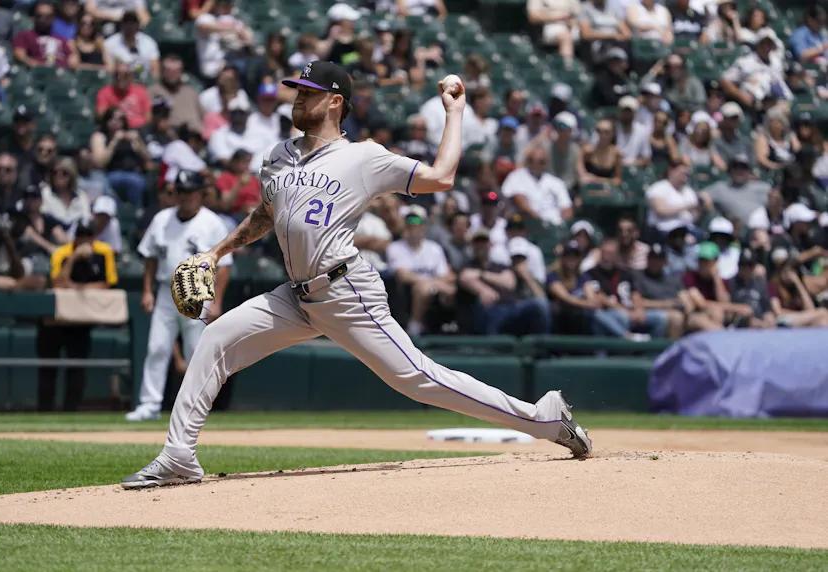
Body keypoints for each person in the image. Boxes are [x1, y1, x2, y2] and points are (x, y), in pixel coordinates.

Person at [122, 61, 592, 488]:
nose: (297, 99)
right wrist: (216, 251)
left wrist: (454, 112)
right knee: (216, 338)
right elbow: (266, 216)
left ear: (334, 101)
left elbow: (443, 176)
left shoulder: (364, 157)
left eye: (307, 92)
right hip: (295, 297)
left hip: (346, 291)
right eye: (295, 91)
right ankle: (179, 454)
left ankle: (543, 419)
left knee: (417, 379)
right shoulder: (278, 156)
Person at [126, 171, 233, 421]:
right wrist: (146, 291)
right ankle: (149, 405)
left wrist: (217, 301)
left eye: (190, 192)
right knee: (157, 348)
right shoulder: (162, 219)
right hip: (165, 290)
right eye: (181, 192)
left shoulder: (212, 222)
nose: (185, 197)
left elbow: (225, 265)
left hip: (198, 290)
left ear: (201, 194)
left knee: (197, 351)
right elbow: (150, 258)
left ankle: (196, 408)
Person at [39, 222, 117, 411]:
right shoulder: (62, 253)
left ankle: (71, 410)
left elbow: (108, 283)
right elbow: (58, 283)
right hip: (56, 319)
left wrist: (77, 288)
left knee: (77, 367)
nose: (84, 240)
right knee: (48, 367)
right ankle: (45, 410)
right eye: (80, 235)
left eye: (88, 236)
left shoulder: (103, 251)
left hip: (82, 318)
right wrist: (73, 257)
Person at [459, 227, 549, 335]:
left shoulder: (499, 265)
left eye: (484, 242)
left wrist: (481, 274)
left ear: (490, 244)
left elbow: (509, 283)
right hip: (489, 311)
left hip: (511, 307)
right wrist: (484, 290)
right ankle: (492, 348)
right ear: (472, 245)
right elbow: (465, 277)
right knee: (487, 304)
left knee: (540, 304)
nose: (481, 245)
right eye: (477, 242)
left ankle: (542, 347)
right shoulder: (468, 264)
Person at [386, 212, 456, 336]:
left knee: (451, 290)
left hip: (435, 287)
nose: (414, 230)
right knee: (423, 289)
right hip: (407, 291)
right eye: (410, 226)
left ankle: (451, 328)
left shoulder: (434, 248)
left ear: (424, 227)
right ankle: (414, 327)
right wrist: (429, 284)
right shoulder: (395, 247)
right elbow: (403, 275)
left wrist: (432, 284)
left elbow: (444, 275)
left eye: (417, 226)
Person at [583, 237, 667, 340]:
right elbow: (599, 297)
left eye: (611, 253)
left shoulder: (625, 273)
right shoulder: (591, 274)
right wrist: (625, 311)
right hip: (609, 312)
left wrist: (638, 310)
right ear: (600, 252)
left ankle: (652, 354)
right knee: (614, 317)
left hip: (629, 310)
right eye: (606, 252)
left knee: (660, 318)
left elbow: (635, 294)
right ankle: (627, 338)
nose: (608, 256)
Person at [681, 241, 753, 330]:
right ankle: (724, 337)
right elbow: (702, 304)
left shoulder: (722, 281)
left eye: (707, 261)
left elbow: (724, 302)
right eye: (701, 260)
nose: (702, 264)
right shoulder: (690, 277)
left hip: (716, 316)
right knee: (711, 314)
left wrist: (716, 277)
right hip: (695, 316)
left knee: (717, 312)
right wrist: (738, 308)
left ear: (715, 261)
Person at [90, 106, 149, 206]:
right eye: (112, 118)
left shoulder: (131, 137)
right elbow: (100, 162)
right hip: (111, 173)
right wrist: (114, 142)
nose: (116, 122)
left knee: (136, 182)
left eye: (120, 119)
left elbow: (147, 157)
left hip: (134, 172)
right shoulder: (100, 136)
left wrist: (138, 142)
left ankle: (135, 213)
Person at [501, 145, 573, 226]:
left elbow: (566, 208)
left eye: (543, 162)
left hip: (554, 226)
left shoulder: (556, 182)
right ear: (528, 161)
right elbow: (520, 203)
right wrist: (541, 223)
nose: (541, 165)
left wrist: (563, 226)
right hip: (525, 225)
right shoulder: (516, 177)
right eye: (537, 161)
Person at [631, 243, 686, 338]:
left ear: (665, 261)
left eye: (658, 259)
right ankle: (671, 351)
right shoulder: (637, 276)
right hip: (648, 314)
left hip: (675, 311)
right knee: (676, 318)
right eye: (652, 258)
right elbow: (638, 302)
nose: (654, 262)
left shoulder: (673, 279)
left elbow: (682, 300)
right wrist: (666, 304)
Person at [645, 160, 711, 236]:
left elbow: (694, 218)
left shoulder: (688, 191)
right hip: (665, 229)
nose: (685, 177)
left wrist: (701, 208)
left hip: (687, 229)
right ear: (671, 171)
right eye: (682, 173)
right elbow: (660, 211)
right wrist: (687, 206)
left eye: (686, 175)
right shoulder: (658, 188)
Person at [705, 153, 771, 226]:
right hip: (735, 229)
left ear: (749, 171)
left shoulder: (763, 187)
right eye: (736, 167)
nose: (739, 171)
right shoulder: (721, 188)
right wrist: (706, 201)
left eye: (743, 168)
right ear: (730, 170)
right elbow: (701, 195)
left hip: (763, 225)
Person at [769, 248, 828, 327]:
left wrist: (798, 283)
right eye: (785, 271)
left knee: (823, 321)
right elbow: (777, 311)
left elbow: (810, 309)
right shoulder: (773, 286)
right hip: (784, 319)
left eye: (791, 271)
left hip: (800, 320)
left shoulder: (796, 288)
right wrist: (802, 315)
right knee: (822, 312)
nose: (787, 275)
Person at [12, 1, 77, 70]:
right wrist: (31, 63)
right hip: (37, 75)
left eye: (48, 16)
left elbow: (73, 57)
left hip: (61, 75)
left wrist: (73, 59)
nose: (43, 19)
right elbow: (19, 53)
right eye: (39, 16)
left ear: (53, 18)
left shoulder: (61, 39)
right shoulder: (25, 36)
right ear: (33, 17)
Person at [147, 54, 203, 132]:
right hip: (170, 137)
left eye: (176, 71)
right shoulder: (153, 91)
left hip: (197, 136)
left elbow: (204, 115)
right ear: (162, 72)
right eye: (168, 71)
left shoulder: (191, 92)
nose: (172, 74)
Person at [103, 11, 159, 81]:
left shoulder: (149, 42)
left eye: (133, 23)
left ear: (138, 24)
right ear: (122, 24)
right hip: (120, 83)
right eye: (126, 22)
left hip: (143, 83)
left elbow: (154, 69)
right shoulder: (110, 43)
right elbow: (110, 70)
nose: (129, 26)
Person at [95, 61, 152, 129]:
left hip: (139, 130)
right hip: (115, 129)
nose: (121, 78)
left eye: (125, 75)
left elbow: (148, 117)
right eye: (117, 75)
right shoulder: (105, 92)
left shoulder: (141, 91)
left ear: (131, 77)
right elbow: (101, 115)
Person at [729, 247, 775, 328]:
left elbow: (766, 308)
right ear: (738, 266)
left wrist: (769, 317)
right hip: (740, 326)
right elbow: (727, 309)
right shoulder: (731, 283)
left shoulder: (760, 283)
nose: (746, 269)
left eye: (750, 265)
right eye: (743, 265)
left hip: (761, 325)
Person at [754, 107, 799, 171]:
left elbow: (798, 152)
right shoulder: (763, 138)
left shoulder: (791, 137)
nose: (775, 125)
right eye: (772, 122)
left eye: (778, 122)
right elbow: (762, 159)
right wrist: (778, 167)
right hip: (772, 172)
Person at [711, 102, 754, 169]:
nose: (733, 120)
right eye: (730, 117)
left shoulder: (746, 142)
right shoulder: (716, 142)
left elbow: (753, 164)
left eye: (735, 117)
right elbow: (721, 165)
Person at [581, 118, 622, 186]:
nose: (602, 135)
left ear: (613, 134)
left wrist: (597, 179)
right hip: (589, 190)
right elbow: (581, 175)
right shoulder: (586, 152)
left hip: (607, 191)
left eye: (606, 132)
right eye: (599, 131)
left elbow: (618, 180)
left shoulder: (616, 154)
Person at [615, 96, 652, 168]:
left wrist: (633, 162)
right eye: (624, 112)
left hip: (634, 170)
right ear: (619, 112)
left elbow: (646, 158)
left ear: (635, 114)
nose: (627, 115)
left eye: (630, 112)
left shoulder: (643, 131)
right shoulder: (612, 128)